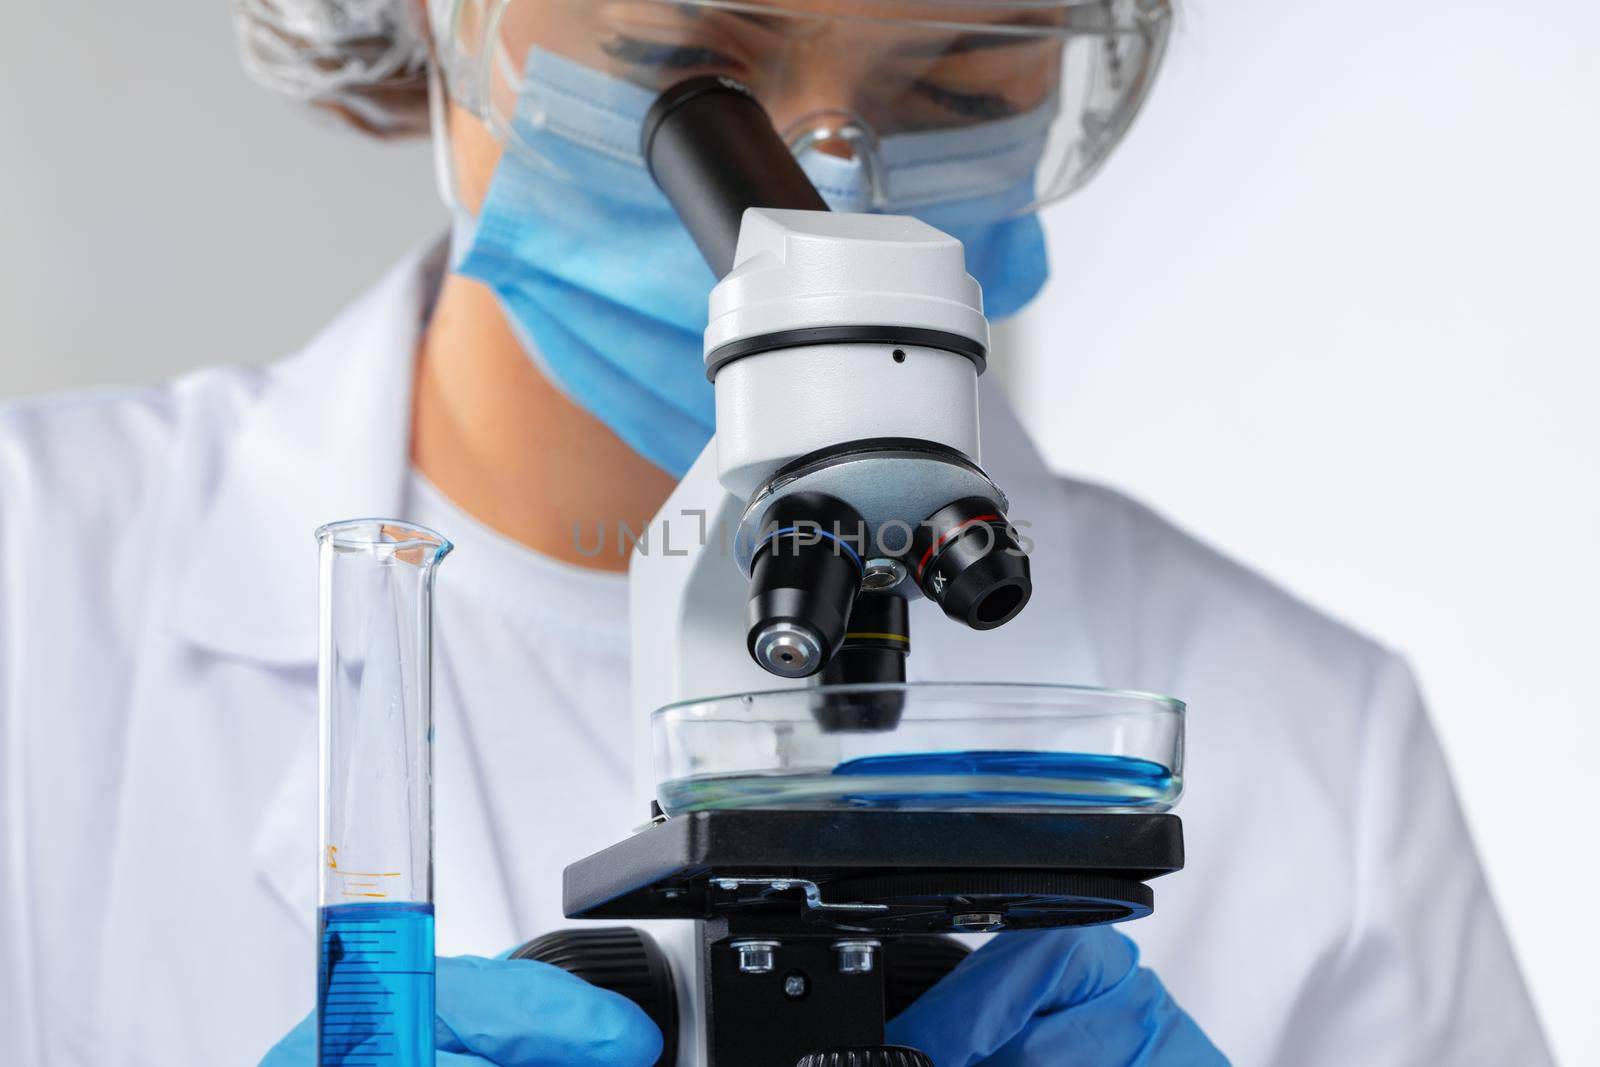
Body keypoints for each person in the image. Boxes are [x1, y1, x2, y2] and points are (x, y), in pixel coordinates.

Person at [0, 1, 1552, 1064]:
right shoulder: (38, 576)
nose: (825, 174)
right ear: (431, 15)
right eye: (692, 54)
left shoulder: (1327, 749)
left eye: (956, 80)